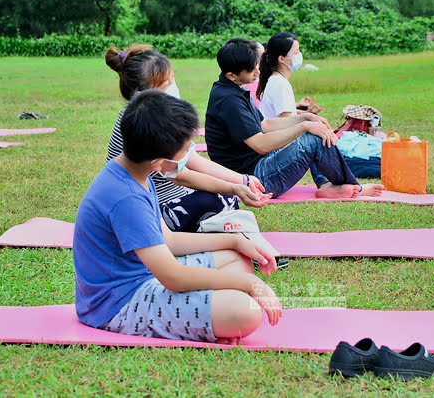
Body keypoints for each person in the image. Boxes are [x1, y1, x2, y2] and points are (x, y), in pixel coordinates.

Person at [74, 89, 281, 342]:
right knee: (245, 312)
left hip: (146, 275)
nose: (188, 157)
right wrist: (250, 285)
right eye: (184, 152)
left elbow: (169, 241)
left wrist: (235, 240)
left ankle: (211, 312)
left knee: (237, 259)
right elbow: (172, 276)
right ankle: (214, 315)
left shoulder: (136, 173)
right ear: (159, 162)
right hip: (119, 304)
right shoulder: (126, 197)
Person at [105, 44, 269, 233]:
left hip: (171, 199)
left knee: (223, 196)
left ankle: (234, 239)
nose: (173, 87)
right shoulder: (143, 127)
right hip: (147, 212)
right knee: (219, 198)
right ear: (143, 95)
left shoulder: (153, 117)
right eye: (166, 84)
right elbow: (181, 175)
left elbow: (192, 160)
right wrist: (234, 187)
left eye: (172, 78)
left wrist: (243, 180)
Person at [205, 37, 383, 199]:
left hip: (258, 164)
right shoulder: (228, 100)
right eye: (252, 69)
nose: (258, 72)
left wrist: (304, 117)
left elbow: (264, 124)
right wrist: (304, 127)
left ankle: (330, 185)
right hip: (253, 180)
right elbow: (260, 145)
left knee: (314, 132)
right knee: (313, 138)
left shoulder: (235, 88)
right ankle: (354, 187)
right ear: (231, 75)